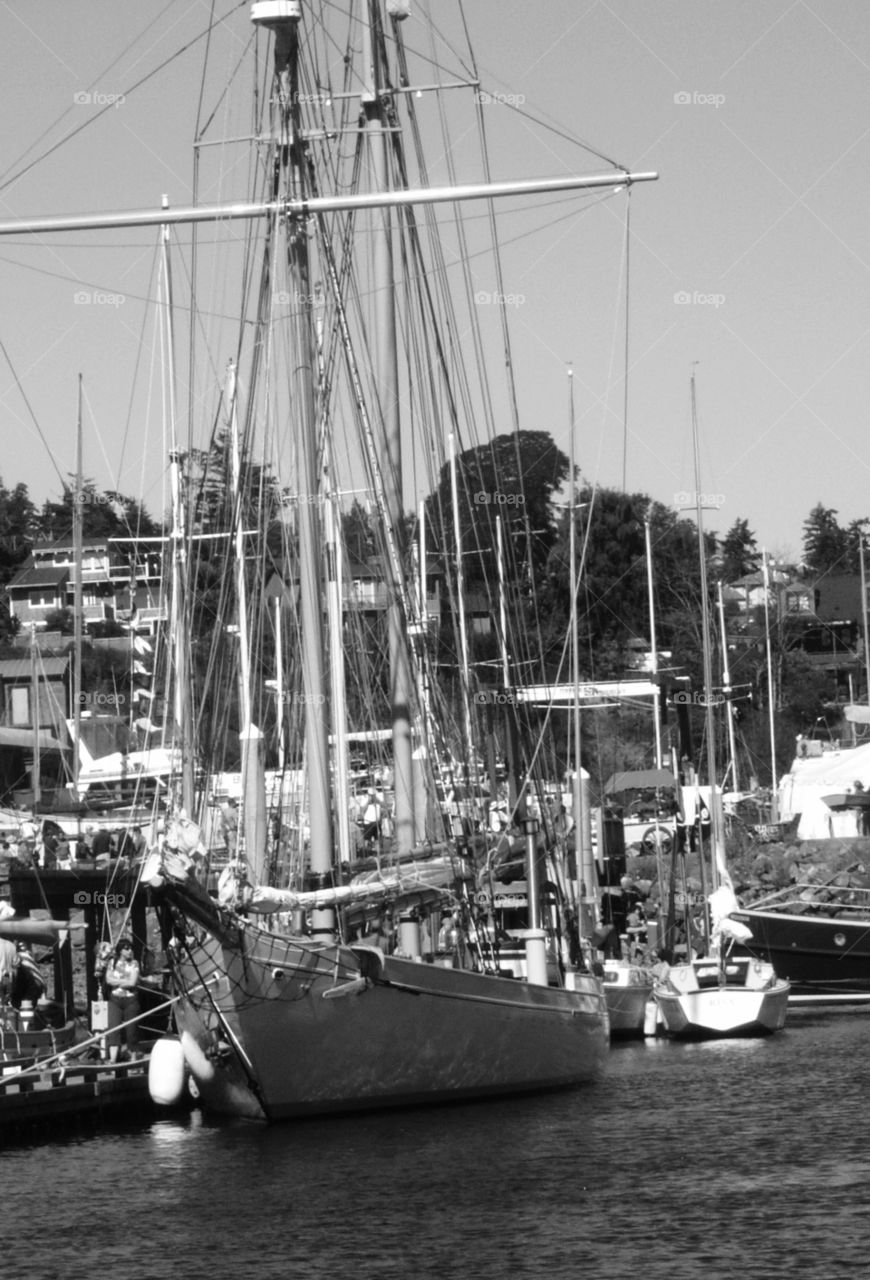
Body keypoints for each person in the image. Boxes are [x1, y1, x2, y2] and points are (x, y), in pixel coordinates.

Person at [105, 938, 140, 1062]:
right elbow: (108, 980)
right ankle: (113, 1060)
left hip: (130, 1000)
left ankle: (133, 1058)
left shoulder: (134, 963)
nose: (130, 950)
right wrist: (123, 982)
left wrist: (117, 982)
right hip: (115, 1000)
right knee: (113, 1029)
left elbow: (132, 982)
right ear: (120, 950)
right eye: (127, 948)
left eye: (131, 948)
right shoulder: (112, 962)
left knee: (132, 1030)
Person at [10, 942, 47, 1010]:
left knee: (25, 1012)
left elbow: (34, 985)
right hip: (25, 987)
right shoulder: (19, 959)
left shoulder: (23, 961)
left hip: (32, 987)